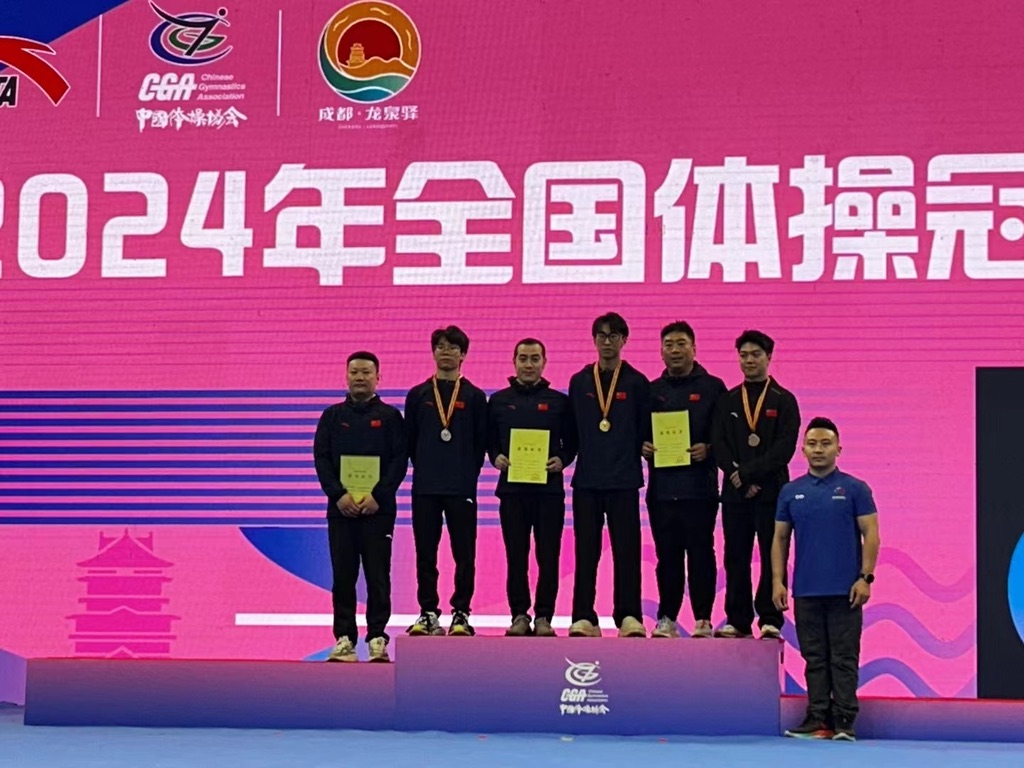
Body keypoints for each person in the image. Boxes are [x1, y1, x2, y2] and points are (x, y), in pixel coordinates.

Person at [773, 417, 879, 741]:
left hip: (846, 591)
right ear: (802, 450)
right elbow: (779, 538)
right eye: (812, 444)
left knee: (844, 658)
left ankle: (844, 721)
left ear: (838, 449)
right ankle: (817, 718)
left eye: (825, 443)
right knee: (814, 658)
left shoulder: (856, 489)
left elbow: (871, 533)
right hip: (806, 590)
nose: (818, 449)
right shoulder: (791, 491)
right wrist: (778, 582)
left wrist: (866, 578)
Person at [313, 351, 407, 663]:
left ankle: (377, 637)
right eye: (354, 372)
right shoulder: (331, 416)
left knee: (378, 575)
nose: (360, 377)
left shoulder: (391, 417)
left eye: (366, 372)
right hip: (342, 510)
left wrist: (379, 496)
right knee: (343, 576)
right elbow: (322, 459)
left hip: (378, 511)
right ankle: (344, 639)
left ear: (378, 377)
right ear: (346, 376)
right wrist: (338, 496)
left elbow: (399, 460)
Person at [711, 330, 800, 639]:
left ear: (769, 357)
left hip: (772, 492)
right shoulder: (727, 400)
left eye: (756, 354)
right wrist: (738, 479)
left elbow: (784, 448)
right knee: (735, 556)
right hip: (735, 494)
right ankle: (737, 619)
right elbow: (719, 443)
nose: (749, 360)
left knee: (773, 554)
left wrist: (749, 475)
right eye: (744, 355)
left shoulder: (784, 400)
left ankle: (771, 618)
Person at [567, 312, 651, 638]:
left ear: (624, 340)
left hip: (624, 480)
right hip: (587, 480)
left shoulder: (637, 382)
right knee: (585, 551)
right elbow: (572, 432)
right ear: (594, 340)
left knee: (627, 550)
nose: (607, 342)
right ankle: (583, 615)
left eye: (613, 336)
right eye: (601, 336)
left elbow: (645, 428)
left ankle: (628, 614)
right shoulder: (579, 382)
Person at [642, 321, 727, 639]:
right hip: (662, 490)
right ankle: (666, 617)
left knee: (702, 553)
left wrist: (710, 449)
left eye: (681, 344)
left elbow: (725, 436)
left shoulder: (713, 387)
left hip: (699, 489)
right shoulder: (651, 391)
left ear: (694, 348)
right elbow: (638, 432)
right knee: (667, 556)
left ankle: (703, 618)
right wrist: (643, 446)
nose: (675, 350)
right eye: (669, 345)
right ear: (661, 351)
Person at [487, 338, 577, 637]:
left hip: (548, 491)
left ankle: (544, 617)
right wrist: (496, 457)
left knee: (548, 556)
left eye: (534, 358)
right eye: (523, 358)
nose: (528, 364)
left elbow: (572, 442)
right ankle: (519, 614)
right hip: (512, 492)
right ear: (514, 362)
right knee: (516, 555)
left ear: (544, 362)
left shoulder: (559, 402)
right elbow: (489, 441)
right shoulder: (498, 401)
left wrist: (562, 459)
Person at [404, 326, 487, 637]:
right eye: (440, 346)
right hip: (425, 487)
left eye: (453, 347)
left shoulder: (475, 397)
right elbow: (410, 442)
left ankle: (461, 612)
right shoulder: (418, 395)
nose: (446, 352)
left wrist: (465, 475)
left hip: (461, 487)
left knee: (464, 553)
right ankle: (428, 612)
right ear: (433, 352)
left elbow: (480, 445)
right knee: (425, 552)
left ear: (463, 354)